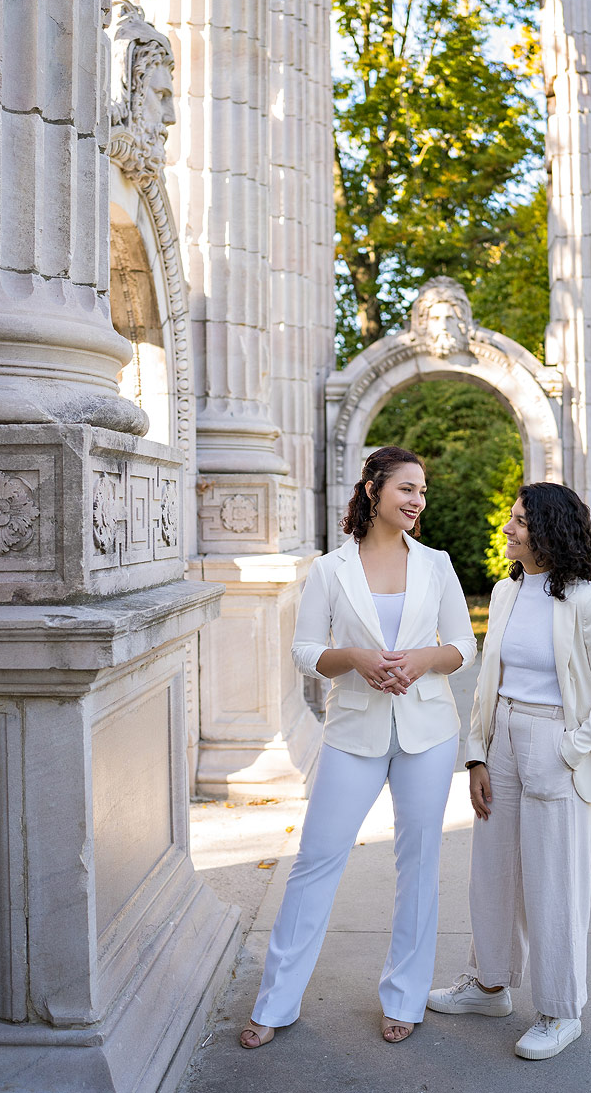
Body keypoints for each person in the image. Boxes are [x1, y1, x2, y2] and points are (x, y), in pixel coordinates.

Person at [239, 446, 476, 1049]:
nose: (418, 500)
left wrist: (421, 661)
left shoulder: (437, 563)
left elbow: (461, 645)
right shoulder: (329, 569)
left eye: (423, 491)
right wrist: (356, 660)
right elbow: (305, 650)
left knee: (419, 866)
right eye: (407, 488)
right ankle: (276, 1004)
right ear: (373, 490)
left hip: (427, 730)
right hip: (351, 732)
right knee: (316, 860)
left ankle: (404, 998)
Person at [428, 481, 591, 1060]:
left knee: (555, 880)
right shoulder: (505, 592)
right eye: (511, 518)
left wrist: (572, 750)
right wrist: (476, 754)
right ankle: (490, 985)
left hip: (556, 740)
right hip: (501, 738)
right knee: (491, 870)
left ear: (548, 529)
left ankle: (559, 1010)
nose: (508, 527)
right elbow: (487, 684)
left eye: (519, 520)